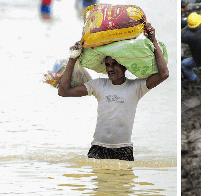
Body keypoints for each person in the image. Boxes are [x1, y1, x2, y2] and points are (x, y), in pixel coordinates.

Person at [57, 22, 168, 160]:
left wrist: (154, 41)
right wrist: (73, 58)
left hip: (124, 150)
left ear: (125, 66)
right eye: (108, 65)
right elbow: (64, 91)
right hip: (98, 148)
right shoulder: (98, 85)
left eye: (114, 64)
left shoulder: (136, 88)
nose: (110, 68)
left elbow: (164, 74)